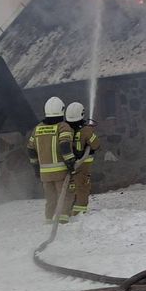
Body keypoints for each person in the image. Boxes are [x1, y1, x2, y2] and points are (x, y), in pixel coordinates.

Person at [26, 96, 76, 224]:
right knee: (65, 195)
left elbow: (30, 149)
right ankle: (63, 219)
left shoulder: (37, 128)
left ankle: (49, 218)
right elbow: (65, 145)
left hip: (45, 174)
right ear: (61, 110)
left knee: (50, 198)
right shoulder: (63, 127)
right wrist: (71, 163)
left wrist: (36, 168)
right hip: (61, 171)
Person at [65, 102, 101, 216]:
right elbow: (96, 145)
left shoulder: (64, 129)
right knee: (83, 187)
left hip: (67, 164)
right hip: (83, 165)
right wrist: (90, 132)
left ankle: (67, 210)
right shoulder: (86, 130)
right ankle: (79, 213)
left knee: (70, 187)